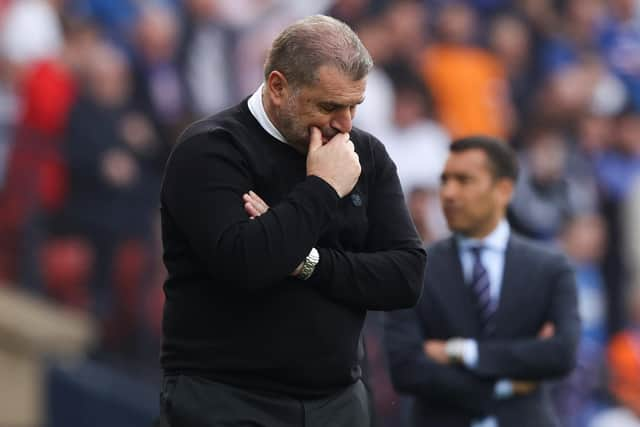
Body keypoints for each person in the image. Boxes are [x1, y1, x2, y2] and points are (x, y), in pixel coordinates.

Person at [158, 15, 426, 427]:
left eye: (354, 106)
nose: (345, 124)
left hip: (337, 403)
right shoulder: (211, 149)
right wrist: (321, 187)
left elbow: (406, 276)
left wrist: (307, 261)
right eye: (329, 106)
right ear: (279, 87)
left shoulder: (364, 154)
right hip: (226, 400)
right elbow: (246, 264)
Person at [384, 136, 580, 427]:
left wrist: (461, 352)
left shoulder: (550, 267)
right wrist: (505, 385)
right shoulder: (412, 266)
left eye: (464, 180)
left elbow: (562, 354)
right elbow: (406, 368)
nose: (448, 193)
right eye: (445, 180)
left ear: (503, 190)